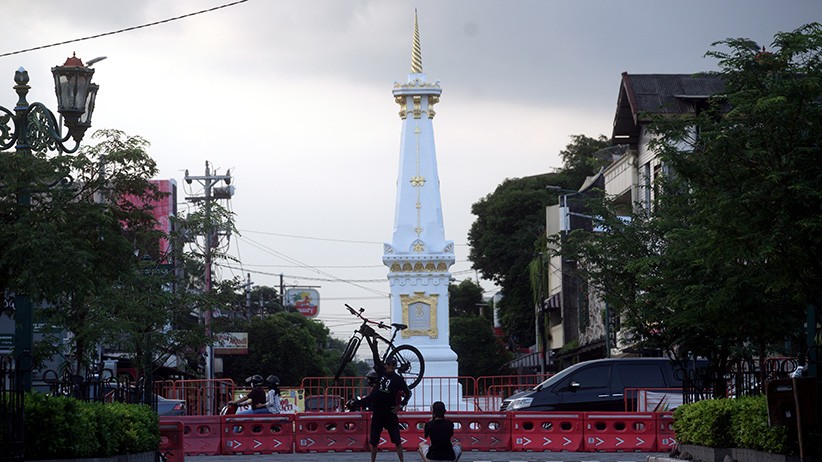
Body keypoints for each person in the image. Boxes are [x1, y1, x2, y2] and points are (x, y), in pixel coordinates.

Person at [367, 356, 411, 462]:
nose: (391, 366)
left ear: (395, 366)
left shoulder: (398, 379)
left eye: (393, 364)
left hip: (390, 412)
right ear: (385, 365)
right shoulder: (381, 373)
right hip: (378, 411)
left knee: (397, 440)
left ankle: (402, 460)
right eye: (389, 364)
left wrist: (400, 406)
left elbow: (408, 393)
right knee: (374, 441)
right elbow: (376, 358)